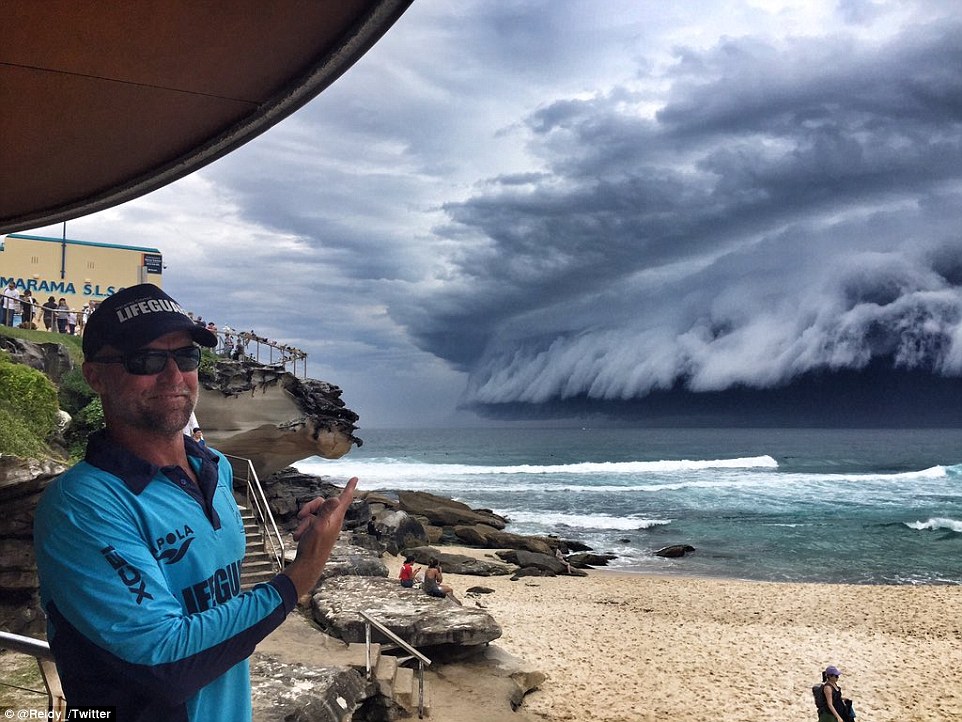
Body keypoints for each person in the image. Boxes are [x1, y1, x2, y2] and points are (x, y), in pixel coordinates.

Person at [33, 283, 358, 722]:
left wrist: (298, 546)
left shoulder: (218, 469)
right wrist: (300, 575)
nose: (173, 376)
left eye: (186, 357)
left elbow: (210, 597)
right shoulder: (81, 507)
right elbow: (164, 660)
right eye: (145, 359)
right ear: (95, 376)